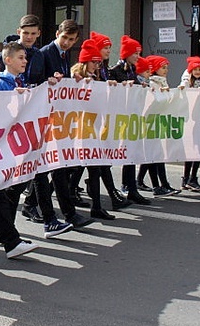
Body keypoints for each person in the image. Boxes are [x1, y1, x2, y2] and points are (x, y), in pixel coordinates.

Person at [26, 19, 93, 234]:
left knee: (57, 166)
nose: (67, 43)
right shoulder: (45, 53)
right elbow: (35, 81)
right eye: (64, 38)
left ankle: (56, 211)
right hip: (44, 117)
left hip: (57, 117)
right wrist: (49, 81)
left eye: (71, 40)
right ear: (57, 34)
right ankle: (57, 213)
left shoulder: (65, 56)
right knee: (47, 168)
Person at [0, 43, 42, 256]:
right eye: (21, 57)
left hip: (9, 145)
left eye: (26, 58)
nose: (25, 61)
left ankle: (9, 237)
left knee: (9, 187)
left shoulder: (19, 81)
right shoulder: (4, 85)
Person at [70, 39, 130, 219]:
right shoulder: (75, 78)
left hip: (96, 129)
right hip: (81, 130)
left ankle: (96, 206)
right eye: (94, 62)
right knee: (74, 169)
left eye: (98, 62)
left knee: (95, 169)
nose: (97, 65)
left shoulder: (98, 77)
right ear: (84, 61)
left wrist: (111, 87)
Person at [109, 35, 151, 205]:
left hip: (131, 117)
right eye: (135, 53)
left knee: (131, 153)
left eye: (139, 53)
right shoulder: (116, 70)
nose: (137, 56)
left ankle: (131, 187)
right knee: (111, 155)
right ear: (126, 54)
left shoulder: (133, 70)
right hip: (118, 118)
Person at [145, 55, 181, 197]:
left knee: (157, 156)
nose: (166, 70)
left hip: (159, 122)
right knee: (154, 156)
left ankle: (163, 185)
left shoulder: (162, 82)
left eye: (167, 67)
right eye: (163, 67)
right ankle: (157, 186)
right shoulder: (152, 83)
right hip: (151, 123)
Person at [180, 56, 200, 192]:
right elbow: (182, 96)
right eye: (195, 69)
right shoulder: (187, 82)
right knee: (196, 149)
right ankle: (190, 179)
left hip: (199, 120)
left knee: (197, 149)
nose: (197, 72)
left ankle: (188, 178)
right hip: (189, 121)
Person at [0, 15, 45, 86]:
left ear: (38, 33)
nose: (29, 37)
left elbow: (41, 81)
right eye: (26, 33)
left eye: (33, 33)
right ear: (19, 32)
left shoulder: (39, 55)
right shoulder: (4, 55)